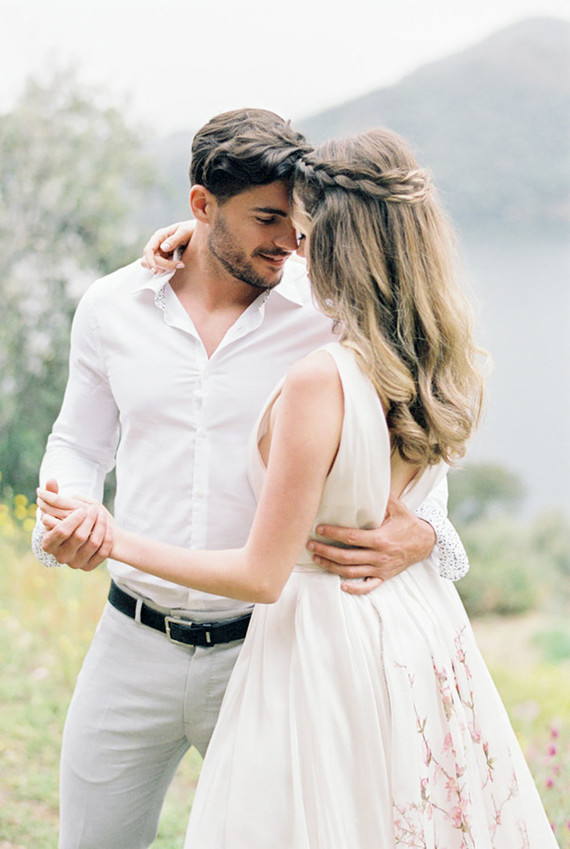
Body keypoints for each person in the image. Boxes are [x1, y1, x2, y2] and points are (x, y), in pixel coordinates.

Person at [38, 127, 558, 848]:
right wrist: (67, 514)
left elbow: (402, 443)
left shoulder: (328, 323)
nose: (288, 243)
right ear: (202, 206)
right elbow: (78, 439)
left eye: (299, 222)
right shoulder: (114, 303)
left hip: (270, 649)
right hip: (133, 639)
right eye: (266, 219)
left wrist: (429, 529)